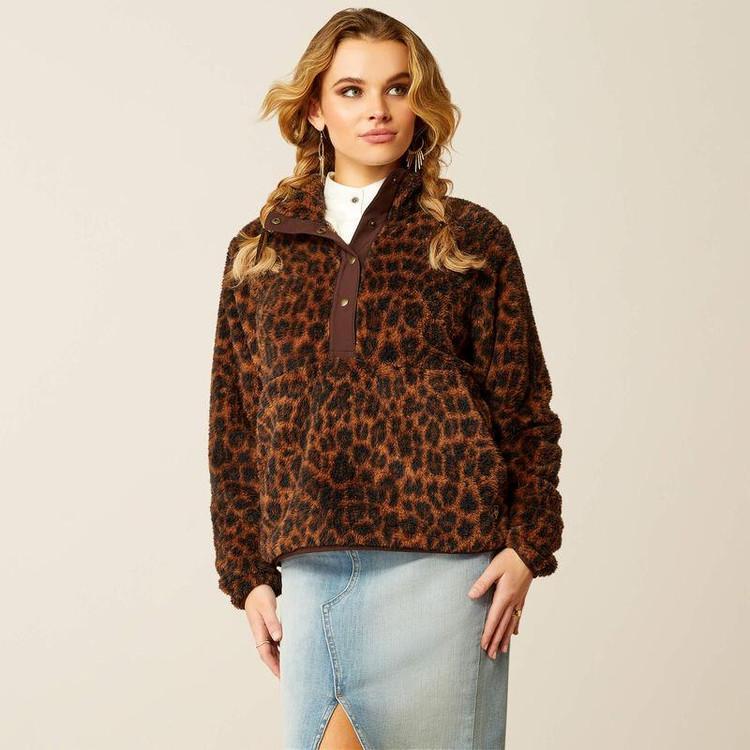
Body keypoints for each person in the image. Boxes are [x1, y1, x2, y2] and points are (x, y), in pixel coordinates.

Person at [208, 8, 563, 749]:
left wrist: (530, 543)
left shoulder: (469, 238)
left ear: (420, 104)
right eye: (352, 90)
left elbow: (525, 406)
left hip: (448, 573)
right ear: (314, 108)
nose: (378, 109)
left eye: (398, 88)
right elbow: (234, 427)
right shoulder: (259, 253)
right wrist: (247, 574)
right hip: (313, 569)